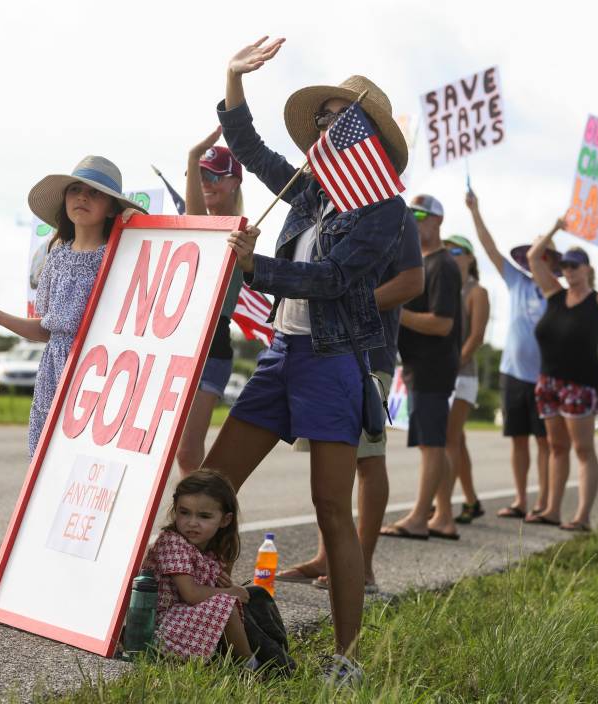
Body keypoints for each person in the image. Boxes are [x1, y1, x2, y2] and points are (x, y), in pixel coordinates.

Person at [202, 36, 411, 685]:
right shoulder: (311, 192)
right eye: (321, 118)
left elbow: (337, 281)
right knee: (210, 488)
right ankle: (210, 618)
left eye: (337, 120)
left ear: (366, 137)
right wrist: (233, 78)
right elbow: (250, 147)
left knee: (330, 507)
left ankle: (345, 658)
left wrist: (254, 268)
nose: (324, 127)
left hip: (334, 362)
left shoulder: (385, 209)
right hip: (282, 354)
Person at [0, 156, 146, 457]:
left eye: (95, 193)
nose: (82, 197)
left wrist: (131, 222)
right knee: (48, 455)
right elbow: (47, 329)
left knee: (89, 454)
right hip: (54, 369)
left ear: (112, 208)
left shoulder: (118, 255)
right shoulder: (55, 256)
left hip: (99, 367)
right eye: (75, 190)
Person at [276, 212, 423, 594]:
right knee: (327, 458)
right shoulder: (324, 209)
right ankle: (327, 558)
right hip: (318, 351)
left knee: (368, 458)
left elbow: (412, 281)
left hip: (367, 356)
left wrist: (346, 301)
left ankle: (364, 567)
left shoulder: (395, 212)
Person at [525, 220, 598, 532]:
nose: (569, 271)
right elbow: (534, 258)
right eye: (565, 266)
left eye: (574, 266)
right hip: (548, 382)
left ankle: (582, 516)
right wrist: (554, 228)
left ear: (587, 270)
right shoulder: (554, 294)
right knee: (557, 447)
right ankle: (551, 509)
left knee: (583, 450)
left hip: (580, 384)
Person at [465, 190, 554, 520]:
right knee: (518, 440)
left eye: (544, 254)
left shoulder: (557, 290)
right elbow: (489, 249)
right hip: (513, 373)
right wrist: (475, 211)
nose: (538, 258)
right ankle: (520, 500)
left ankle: (545, 503)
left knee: (545, 443)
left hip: (545, 376)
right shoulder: (516, 280)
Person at [380, 194, 463, 541]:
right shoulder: (420, 261)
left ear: (437, 221)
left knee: (431, 444)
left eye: (420, 214)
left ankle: (419, 517)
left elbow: (443, 323)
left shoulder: (442, 264)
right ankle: (443, 515)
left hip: (434, 365)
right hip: (419, 364)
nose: (413, 219)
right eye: (409, 213)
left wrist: (398, 311)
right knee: (433, 443)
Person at [176, 132, 246, 475]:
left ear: (234, 181)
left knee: (188, 452)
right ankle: (191, 518)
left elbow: (197, 224)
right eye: (199, 175)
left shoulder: (242, 232)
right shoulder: (201, 228)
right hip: (180, 337)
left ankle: (199, 522)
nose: (205, 182)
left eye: (212, 175)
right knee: (171, 449)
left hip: (212, 342)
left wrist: (192, 158)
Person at [142, 470, 255, 666]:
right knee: (226, 606)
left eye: (204, 516)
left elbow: (204, 592)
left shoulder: (209, 548)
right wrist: (228, 592)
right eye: (184, 512)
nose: (192, 523)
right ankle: (251, 667)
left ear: (225, 520)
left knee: (254, 597)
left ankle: (264, 650)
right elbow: (191, 594)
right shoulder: (173, 543)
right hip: (158, 627)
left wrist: (223, 587)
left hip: (182, 620)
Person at [441, 235, 490, 524]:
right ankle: (470, 500)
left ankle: (442, 504)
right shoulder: (443, 286)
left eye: (457, 251)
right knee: (456, 439)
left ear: (470, 257)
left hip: (462, 375)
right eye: (446, 251)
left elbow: (477, 337)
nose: (451, 255)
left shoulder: (476, 291)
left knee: (448, 439)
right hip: (438, 371)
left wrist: (453, 364)